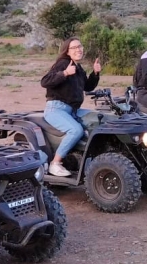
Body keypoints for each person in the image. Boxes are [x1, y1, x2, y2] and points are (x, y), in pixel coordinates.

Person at [40, 37, 101, 177]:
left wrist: (95, 73)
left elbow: (88, 87)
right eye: (74, 47)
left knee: (96, 119)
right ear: (67, 51)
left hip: (73, 110)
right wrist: (65, 73)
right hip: (56, 108)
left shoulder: (78, 68)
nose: (78, 49)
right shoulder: (63, 64)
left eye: (80, 46)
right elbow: (45, 82)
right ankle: (55, 164)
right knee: (75, 130)